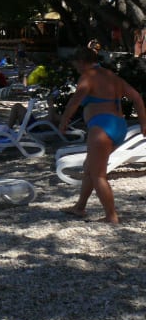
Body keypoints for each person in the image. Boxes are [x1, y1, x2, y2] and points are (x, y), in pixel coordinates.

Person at [59, 47, 146, 224]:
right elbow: (137, 97)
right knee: (90, 168)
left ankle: (111, 216)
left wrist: (63, 122)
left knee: (98, 174)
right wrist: (144, 123)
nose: (75, 67)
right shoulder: (111, 76)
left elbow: (74, 103)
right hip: (118, 126)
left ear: (81, 62)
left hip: (101, 128)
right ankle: (79, 208)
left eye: (75, 63)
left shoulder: (87, 76)